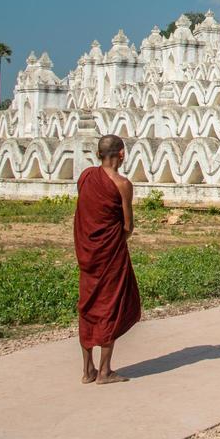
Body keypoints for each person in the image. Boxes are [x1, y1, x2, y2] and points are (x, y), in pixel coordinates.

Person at [74, 134, 142, 384]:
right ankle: (104, 371)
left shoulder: (86, 177)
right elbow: (128, 225)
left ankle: (87, 370)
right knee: (109, 306)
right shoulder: (122, 184)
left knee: (89, 306)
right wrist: (114, 241)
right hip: (110, 252)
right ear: (121, 154)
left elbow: (84, 212)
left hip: (88, 253)